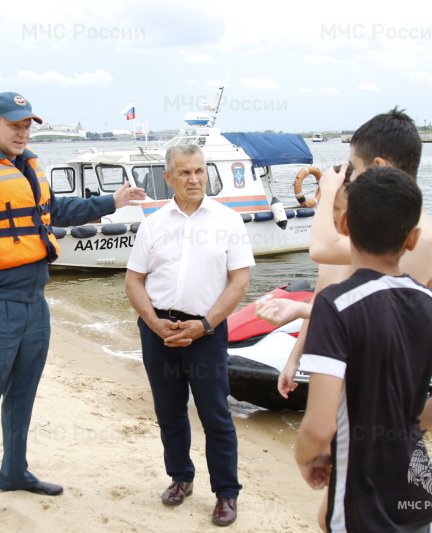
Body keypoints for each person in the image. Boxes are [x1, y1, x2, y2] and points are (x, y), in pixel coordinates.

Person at [0, 92, 145, 531]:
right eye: (14, 125)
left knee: (22, 397)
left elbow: (57, 211)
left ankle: (14, 472)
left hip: (36, 304)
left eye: (27, 125)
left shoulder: (27, 168)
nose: (23, 132)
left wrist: (113, 201)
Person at [294, 166, 432, 532]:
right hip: (415, 488)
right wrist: (409, 425)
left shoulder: (335, 305)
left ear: (344, 224)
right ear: (412, 238)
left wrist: (307, 458)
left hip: (361, 497)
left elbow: (319, 427)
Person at [255, 108, 432, 398]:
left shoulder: (418, 238)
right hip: (346, 380)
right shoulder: (373, 232)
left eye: (354, 168)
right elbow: (325, 295)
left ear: (379, 166)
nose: (351, 176)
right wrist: (295, 359)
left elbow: (375, 318)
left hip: (384, 394)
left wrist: (328, 190)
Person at [124, 144, 254, 527]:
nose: (194, 179)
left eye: (200, 171)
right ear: (168, 178)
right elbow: (134, 281)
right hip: (158, 331)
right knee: (169, 412)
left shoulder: (228, 221)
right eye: (184, 172)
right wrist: (153, 322)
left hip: (207, 332)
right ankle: (181, 477)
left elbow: (240, 283)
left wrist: (206, 325)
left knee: (215, 414)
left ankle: (226, 493)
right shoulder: (153, 223)